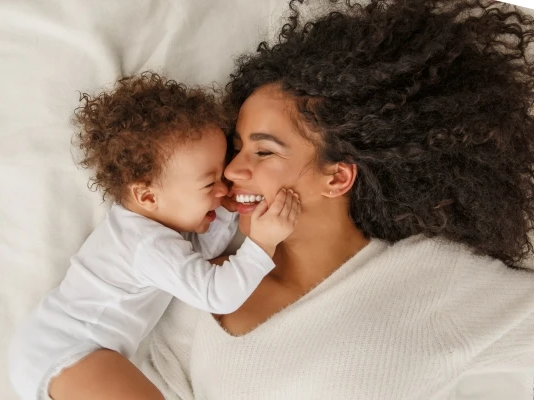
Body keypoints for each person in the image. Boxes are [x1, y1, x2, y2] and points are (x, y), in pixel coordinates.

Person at [45, 0, 534, 399]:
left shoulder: (431, 278)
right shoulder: (201, 272)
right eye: (236, 148)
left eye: (263, 150)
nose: (234, 171)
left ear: (337, 177)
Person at [7, 72, 300, 400]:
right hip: (69, 350)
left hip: (58, 347)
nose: (224, 188)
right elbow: (215, 292)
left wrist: (226, 210)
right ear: (147, 196)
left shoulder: (150, 226)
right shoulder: (146, 244)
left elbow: (198, 257)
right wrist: (262, 244)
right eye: (210, 183)